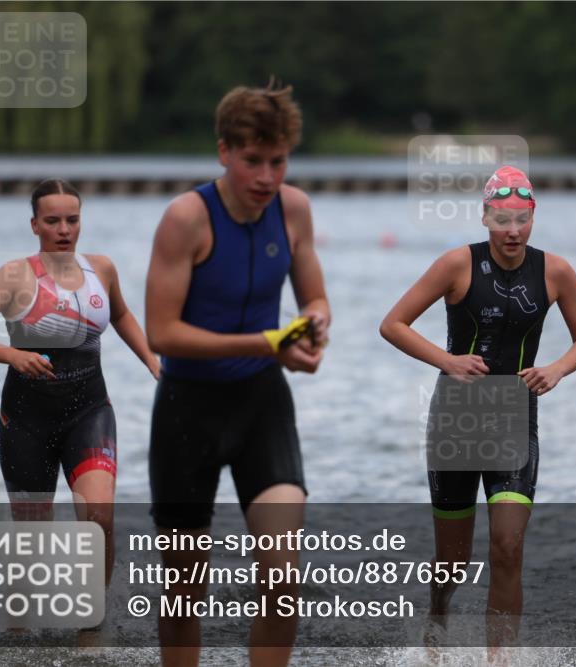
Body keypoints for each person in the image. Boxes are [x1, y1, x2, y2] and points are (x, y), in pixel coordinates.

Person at [145, 78, 329, 667]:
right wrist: (268, 343)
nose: (267, 178)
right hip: (186, 410)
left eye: (278, 161)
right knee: (184, 590)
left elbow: (315, 300)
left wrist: (312, 329)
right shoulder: (186, 218)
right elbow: (161, 333)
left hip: (261, 406)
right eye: (252, 161)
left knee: (282, 573)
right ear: (224, 151)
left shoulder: (294, 208)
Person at [380, 166, 576, 658]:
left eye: (521, 218)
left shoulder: (556, 272)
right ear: (485, 217)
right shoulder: (456, 264)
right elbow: (392, 324)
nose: (512, 230)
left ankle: (501, 659)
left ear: (533, 216)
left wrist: (558, 368)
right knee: (453, 562)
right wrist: (447, 360)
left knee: (506, 547)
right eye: (502, 218)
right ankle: (438, 616)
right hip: (456, 418)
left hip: (513, 417)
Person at [0, 178, 160, 586]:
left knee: (99, 518)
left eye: (72, 220)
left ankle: (91, 625)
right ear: (34, 225)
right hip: (27, 419)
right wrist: (12, 355)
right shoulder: (12, 276)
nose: (64, 230)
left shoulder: (101, 268)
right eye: (52, 221)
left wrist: (153, 362)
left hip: (89, 410)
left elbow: (120, 316)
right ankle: (17, 631)